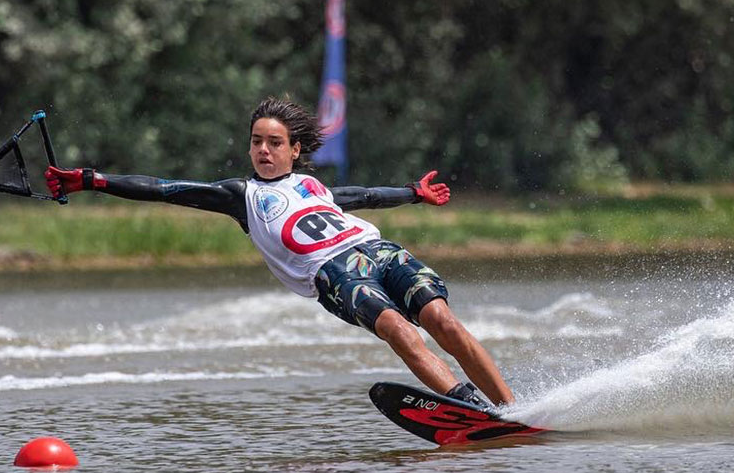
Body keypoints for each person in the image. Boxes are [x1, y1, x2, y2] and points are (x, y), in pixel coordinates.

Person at [46, 97, 514, 409]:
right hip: (333, 274)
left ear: (294, 150)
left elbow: (364, 196)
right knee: (397, 329)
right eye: (256, 142)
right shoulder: (240, 196)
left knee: (442, 321)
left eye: (274, 143)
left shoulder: (313, 185)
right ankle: (468, 406)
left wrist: (412, 193)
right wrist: (93, 180)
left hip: (377, 249)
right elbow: (165, 189)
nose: (263, 151)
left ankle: (513, 409)